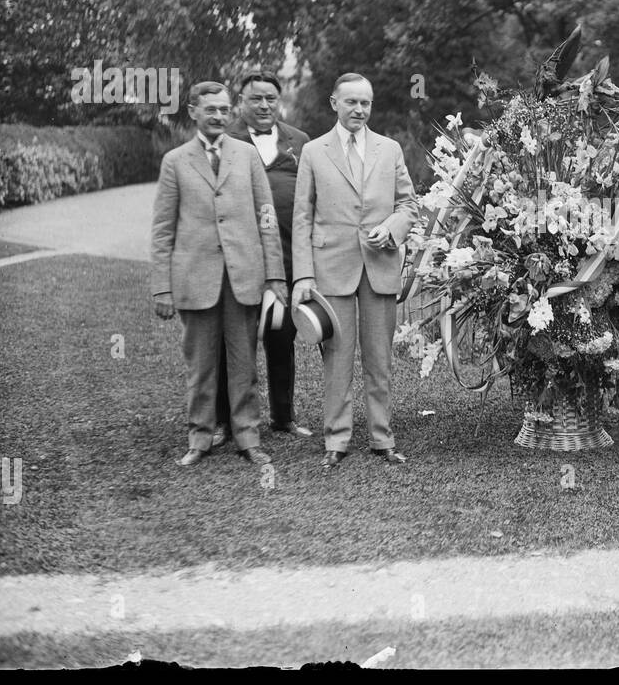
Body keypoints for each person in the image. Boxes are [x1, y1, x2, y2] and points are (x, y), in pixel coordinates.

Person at [150, 81, 288, 467]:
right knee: (200, 364)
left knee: (244, 362)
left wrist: (274, 276)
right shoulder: (175, 161)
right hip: (195, 279)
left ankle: (248, 437)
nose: (219, 117)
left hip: (243, 277)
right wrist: (162, 286)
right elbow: (163, 230)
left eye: (225, 110)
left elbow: (266, 219)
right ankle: (200, 436)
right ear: (192, 111)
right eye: (210, 109)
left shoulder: (246, 156)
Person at [291, 73, 419, 470]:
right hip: (332, 269)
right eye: (351, 102)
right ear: (334, 103)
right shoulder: (313, 152)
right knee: (337, 357)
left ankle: (382, 438)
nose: (360, 110)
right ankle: (337, 439)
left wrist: (392, 229)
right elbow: (302, 218)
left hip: (379, 266)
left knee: (379, 359)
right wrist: (303, 276)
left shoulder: (389, 149)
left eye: (366, 103)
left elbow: (409, 205)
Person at [215, 71, 312, 439]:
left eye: (271, 98)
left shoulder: (299, 142)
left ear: (279, 100)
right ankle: (226, 421)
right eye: (255, 98)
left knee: (281, 336)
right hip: (239, 260)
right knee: (232, 344)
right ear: (241, 102)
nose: (264, 105)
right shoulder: (226, 141)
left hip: (285, 258)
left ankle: (283, 417)